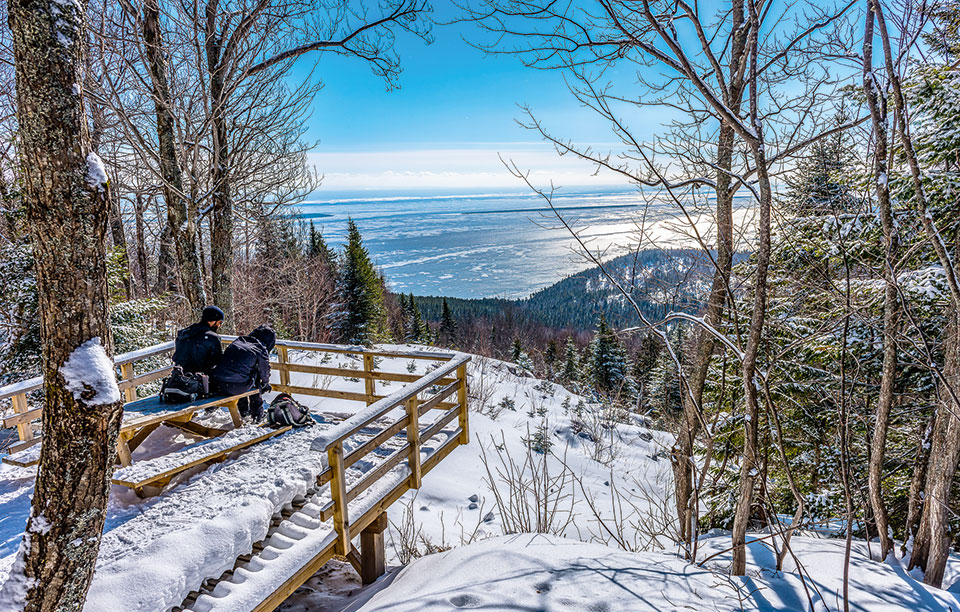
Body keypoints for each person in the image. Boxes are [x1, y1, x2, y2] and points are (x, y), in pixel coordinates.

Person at [212, 325, 276, 422]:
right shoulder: (260, 349)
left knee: (242, 375)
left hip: (218, 383)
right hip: (235, 386)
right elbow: (264, 371)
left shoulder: (239, 341)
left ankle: (244, 411)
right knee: (255, 380)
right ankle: (257, 414)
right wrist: (265, 383)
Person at [172, 305, 224, 376]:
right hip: (200, 379)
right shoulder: (212, 338)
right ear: (212, 320)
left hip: (179, 378)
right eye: (219, 322)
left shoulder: (185, 333)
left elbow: (177, 357)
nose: (219, 325)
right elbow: (218, 362)